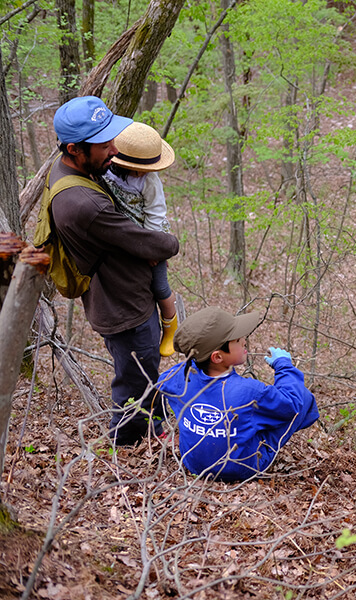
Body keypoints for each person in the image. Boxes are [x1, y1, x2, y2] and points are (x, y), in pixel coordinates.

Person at [49, 96, 179, 446]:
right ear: (75, 149)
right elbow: (151, 243)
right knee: (133, 382)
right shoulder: (84, 203)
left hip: (125, 296)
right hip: (123, 308)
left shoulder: (74, 170)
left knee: (144, 372)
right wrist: (170, 243)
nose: (113, 150)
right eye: (104, 144)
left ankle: (155, 427)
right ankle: (122, 449)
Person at [156, 307, 319, 482]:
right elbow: (292, 404)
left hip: (193, 463)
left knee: (255, 413)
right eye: (237, 340)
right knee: (301, 397)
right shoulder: (249, 391)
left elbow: (162, 382)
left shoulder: (179, 377)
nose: (244, 341)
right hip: (241, 468)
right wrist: (284, 366)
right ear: (217, 357)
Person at [103, 122, 179, 357]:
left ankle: (170, 327)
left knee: (159, 285)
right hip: (124, 236)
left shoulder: (149, 181)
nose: (145, 171)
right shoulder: (104, 172)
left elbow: (156, 215)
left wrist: (151, 251)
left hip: (151, 236)